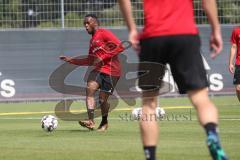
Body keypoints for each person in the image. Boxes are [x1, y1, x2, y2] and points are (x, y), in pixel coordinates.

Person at [118, 0, 228, 160]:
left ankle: (151, 156)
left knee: (149, 104)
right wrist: (216, 30)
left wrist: (132, 29)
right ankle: (212, 135)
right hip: (185, 35)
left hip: (153, 37)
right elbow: (207, 2)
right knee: (201, 99)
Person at [60, 14, 124, 131]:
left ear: (95, 23)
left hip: (112, 71)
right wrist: (71, 60)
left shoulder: (103, 33)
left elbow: (120, 47)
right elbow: (90, 60)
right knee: (89, 88)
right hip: (99, 70)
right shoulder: (92, 41)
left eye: (88, 23)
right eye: (84, 24)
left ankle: (104, 122)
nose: (86, 26)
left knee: (102, 100)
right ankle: (91, 120)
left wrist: (103, 57)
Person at [229, 26, 240, 102]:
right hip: (239, 63)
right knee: (238, 89)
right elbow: (234, 46)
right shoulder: (236, 31)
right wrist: (230, 63)